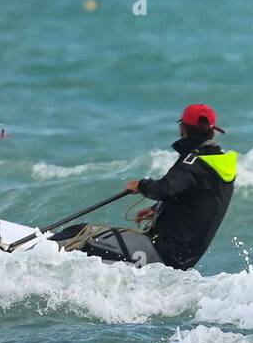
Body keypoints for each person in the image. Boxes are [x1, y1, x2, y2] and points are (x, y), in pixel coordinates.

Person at [50, 104, 237, 270]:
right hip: (183, 260)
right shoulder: (219, 165)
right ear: (212, 132)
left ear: (184, 128)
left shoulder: (193, 162)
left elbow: (164, 188)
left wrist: (141, 185)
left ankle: (32, 254)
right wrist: (157, 210)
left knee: (82, 233)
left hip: (162, 252)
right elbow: (198, 199)